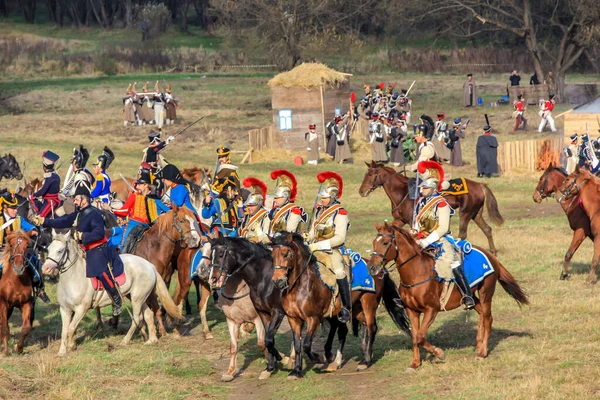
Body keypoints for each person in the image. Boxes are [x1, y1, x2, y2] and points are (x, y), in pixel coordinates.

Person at [32, 182, 124, 316]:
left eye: (76, 199)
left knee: (100, 270)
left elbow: (99, 233)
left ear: (84, 199)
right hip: (82, 248)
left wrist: (83, 235)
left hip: (97, 248)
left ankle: (116, 298)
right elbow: (62, 221)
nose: (74, 201)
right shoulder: (78, 214)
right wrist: (44, 221)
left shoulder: (95, 214)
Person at [412, 161, 475, 309]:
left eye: (425, 188)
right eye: (422, 188)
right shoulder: (421, 203)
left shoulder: (441, 204)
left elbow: (442, 228)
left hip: (440, 239)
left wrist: (425, 242)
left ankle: (467, 295)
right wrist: (413, 232)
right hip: (421, 238)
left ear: (433, 188)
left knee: (452, 262)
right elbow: (417, 221)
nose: (422, 190)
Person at [307, 171, 352, 322]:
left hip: (333, 250)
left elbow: (340, 238)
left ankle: (346, 307)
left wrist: (318, 245)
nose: (322, 200)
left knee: (339, 271)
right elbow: (314, 230)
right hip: (316, 248)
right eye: (321, 197)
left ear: (333, 197)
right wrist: (309, 237)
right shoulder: (319, 210)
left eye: (325, 197)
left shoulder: (340, 213)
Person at [0, 191, 50, 303]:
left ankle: (40, 288)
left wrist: (33, 231)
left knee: (35, 262)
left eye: (16, 208)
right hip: (1, 251)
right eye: (12, 208)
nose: (16, 210)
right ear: (5, 208)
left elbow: (29, 227)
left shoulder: (18, 219)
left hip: (17, 250)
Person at [112, 171, 170, 252]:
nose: (137, 186)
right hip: (134, 223)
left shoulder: (155, 199)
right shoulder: (139, 196)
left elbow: (169, 211)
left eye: (139, 184)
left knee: (123, 242)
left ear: (146, 185)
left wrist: (111, 209)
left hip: (139, 225)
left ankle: (122, 254)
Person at [268, 169, 305, 234]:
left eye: (277, 198)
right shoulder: (275, 211)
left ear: (285, 197)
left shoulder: (293, 211)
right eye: (275, 198)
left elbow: (290, 232)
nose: (275, 200)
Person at [30, 150, 62, 218]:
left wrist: (33, 195)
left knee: (39, 218)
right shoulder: (55, 175)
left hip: (50, 202)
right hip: (51, 200)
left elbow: (43, 190)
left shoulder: (50, 177)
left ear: (44, 167)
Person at [239, 177, 270, 244]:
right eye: (248, 205)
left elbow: (267, 236)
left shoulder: (265, 217)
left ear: (259, 204)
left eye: (252, 206)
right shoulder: (247, 217)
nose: (249, 208)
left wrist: (255, 239)